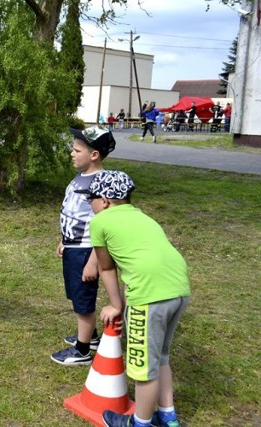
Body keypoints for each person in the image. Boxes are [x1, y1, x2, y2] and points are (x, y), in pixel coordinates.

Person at [75, 170, 190, 427]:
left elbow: (105, 268)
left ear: (104, 200)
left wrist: (117, 305)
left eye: (90, 200)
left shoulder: (100, 222)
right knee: (160, 357)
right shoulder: (142, 217)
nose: (90, 205)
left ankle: (140, 423)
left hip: (148, 297)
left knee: (142, 367)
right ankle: (168, 416)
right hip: (179, 290)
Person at [50, 126, 116, 366]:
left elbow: (105, 226)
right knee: (75, 294)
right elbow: (74, 213)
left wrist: (93, 261)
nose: (71, 153)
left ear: (94, 155)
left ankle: (82, 350)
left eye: (77, 150)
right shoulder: (81, 176)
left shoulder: (100, 183)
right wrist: (64, 240)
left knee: (83, 300)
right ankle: (92, 336)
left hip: (87, 251)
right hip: (73, 247)